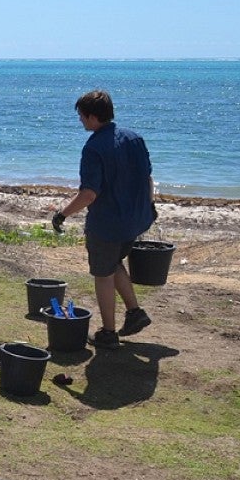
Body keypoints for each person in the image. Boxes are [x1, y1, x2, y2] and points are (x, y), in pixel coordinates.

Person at [52, 90, 156, 349]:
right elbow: (148, 179)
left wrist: (62, 214)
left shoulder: (94, 147)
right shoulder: (134, 138)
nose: (80, 121)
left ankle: (108, 332)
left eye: (81, 116)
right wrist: (148, 207)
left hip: (108, 223)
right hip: (134, 219)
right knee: (113, 263)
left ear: (92, 116)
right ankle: (135, 312)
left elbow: (89, 194)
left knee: (102, 274)